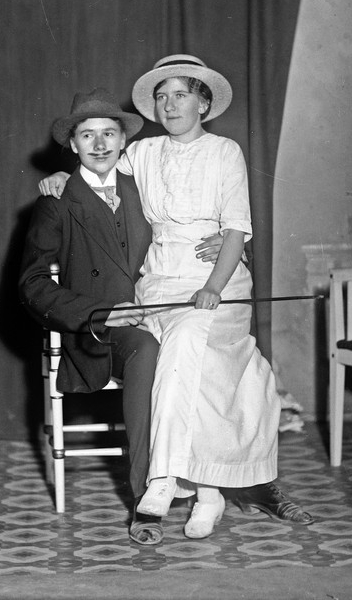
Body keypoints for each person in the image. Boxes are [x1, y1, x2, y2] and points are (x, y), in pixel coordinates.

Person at [41, 56, 314, 539]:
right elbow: (97, 166)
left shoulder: (225, 151)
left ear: (203, 103)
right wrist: (63, 177)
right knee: (185, 366)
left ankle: (163, 479)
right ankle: (208, 494)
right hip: (158, 283)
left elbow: (237, 229)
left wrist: (213, 286)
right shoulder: (143, 151)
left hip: (218, 279)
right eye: (162, 97)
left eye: (181, 95)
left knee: (184, 343)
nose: (169, 105)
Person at [19, 87, 222, 546]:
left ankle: (204, 484)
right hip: (96, 331)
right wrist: (103, 312)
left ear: (123, 141)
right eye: (86, 135)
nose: (99, 144)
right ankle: (146, 495)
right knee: (147, 349)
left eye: (108, 133)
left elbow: (186, 222)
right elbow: (32, 285)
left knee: (191, 344)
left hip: (157, 311)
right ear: (72, 145)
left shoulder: (141, 186)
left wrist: (230, 242)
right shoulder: (57, 199)